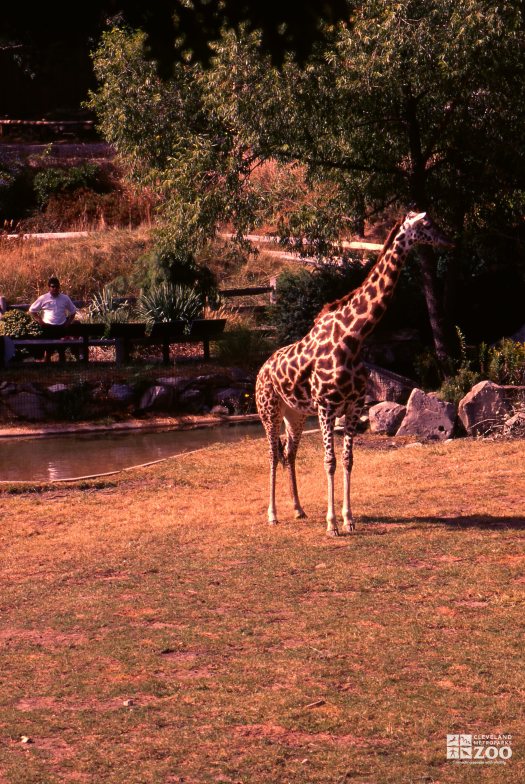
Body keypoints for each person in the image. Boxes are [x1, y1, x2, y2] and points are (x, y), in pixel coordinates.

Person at [28, 277, 77, 362]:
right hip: (48, 327)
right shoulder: (43, 298)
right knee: (48, 350)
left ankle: (62, 368)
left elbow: (73, 311)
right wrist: (40, 320)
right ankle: (47, 368)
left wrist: (68, 323)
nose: (55, 288)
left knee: (61, 350)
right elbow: (32, 310)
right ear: (49, 287)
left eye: (57, 287)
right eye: (53, 286)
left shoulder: (65, 298)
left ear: (59, 287)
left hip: (61, 327)